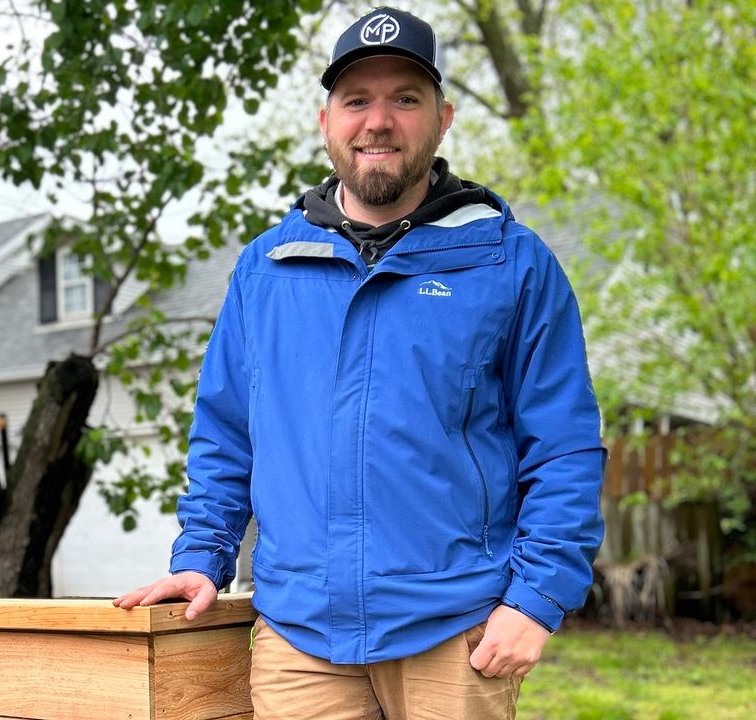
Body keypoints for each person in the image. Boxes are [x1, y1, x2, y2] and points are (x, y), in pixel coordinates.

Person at [113, 6, 605, 718]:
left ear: (444, 118)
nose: (379, 121)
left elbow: (562, 450)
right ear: (326, 123)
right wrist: (200, 558)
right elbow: (225, 436)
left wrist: (537, 599)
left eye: (405, 99)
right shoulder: (267, 271)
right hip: (300, 639)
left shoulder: (511, 263)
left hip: (455, 633)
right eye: (357, 101)